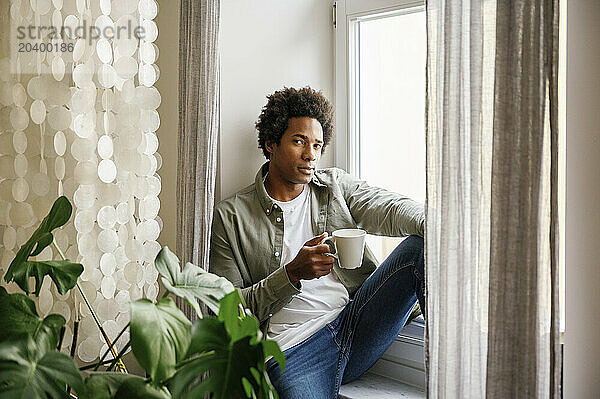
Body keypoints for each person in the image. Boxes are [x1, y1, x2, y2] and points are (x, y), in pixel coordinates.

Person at [209, 86, 425, 398]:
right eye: (299, 141)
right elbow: (227, 313)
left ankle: (453, 358)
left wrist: (443, 224)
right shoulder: (231, 217)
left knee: (419, 247)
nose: (311, 154)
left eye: (317, 145)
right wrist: (291, 275)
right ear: (271, 143)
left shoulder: (335, 186)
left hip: (353, 325)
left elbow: (390, 208)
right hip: (293, 351)